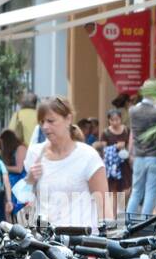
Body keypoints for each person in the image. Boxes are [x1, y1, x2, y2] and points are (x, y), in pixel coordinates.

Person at [22, 95, 107, 231]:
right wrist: (30, 180)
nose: (45, 127)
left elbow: (106, 204)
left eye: (51, 121)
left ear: (68, 119)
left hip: (80, 244)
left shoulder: (88, 156)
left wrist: (114, 244)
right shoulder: (35, 153)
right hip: (44, 243)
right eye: (42, 122)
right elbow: (22, 200)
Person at [126, 81, 156, 218]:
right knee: (151, 191)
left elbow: (133, 133)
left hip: (139, 156)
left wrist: (130, 151)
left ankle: (129, 223)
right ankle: (145, 224)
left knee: (136, 191)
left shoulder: (133, 111)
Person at [100, 108, 132, 212]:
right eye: (112, 120)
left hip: (124, 164)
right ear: (109, 120)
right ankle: (114, 216)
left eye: (117, 119)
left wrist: (126, 150)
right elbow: (104, 150)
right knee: (113, 190)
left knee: (126, 189)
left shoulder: (127, 130)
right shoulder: (106, 133)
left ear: (120, 119)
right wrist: (115, 147)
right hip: (112, 166)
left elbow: (131, 145)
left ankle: (121, 209)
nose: (115, 122)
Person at [0, 128, 28, 217]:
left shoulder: (20, 148)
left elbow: (19, 169)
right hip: (12, 185)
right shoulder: (11, 152)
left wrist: (4, 167)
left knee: (19, 211)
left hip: (19, 184)